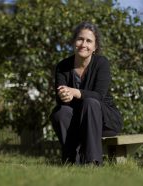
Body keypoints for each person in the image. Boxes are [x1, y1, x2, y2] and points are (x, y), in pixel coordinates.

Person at [51, 21, 123, 166]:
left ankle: (93, 161)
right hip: (77, 120)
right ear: (74, 42)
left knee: (90, 102)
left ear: (95, 47)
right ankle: (71, 161)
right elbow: (60, 97)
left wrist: (75, 92)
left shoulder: (101, 63)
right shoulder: (63, 66)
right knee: (60, 112)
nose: (83, 44)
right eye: (80, 39)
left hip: (104, 120)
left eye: (89, 41)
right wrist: (64, 95)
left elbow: (98, 96)